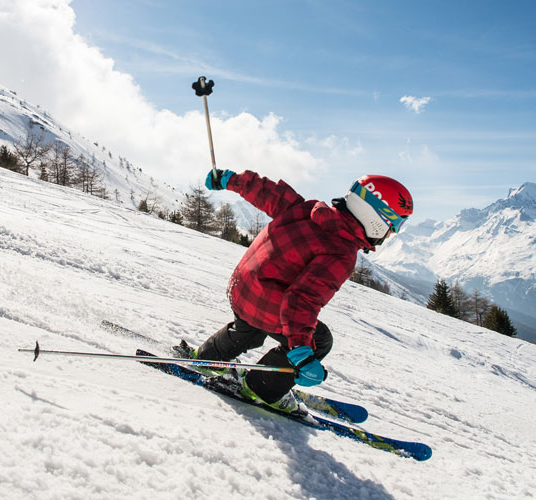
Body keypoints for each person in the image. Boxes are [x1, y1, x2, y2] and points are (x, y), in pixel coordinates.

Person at [175, 168, 413, 413]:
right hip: (264, 302)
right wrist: (301, 351)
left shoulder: (308, 209)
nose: (392, 232)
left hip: (242, 287)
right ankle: (259, 388)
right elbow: (302, 301)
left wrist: (230, 180)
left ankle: (205, 356)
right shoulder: (341, 252)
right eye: (394, 224)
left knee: (250, 327)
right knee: (319, 340)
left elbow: (269, 193)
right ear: (376, 217)